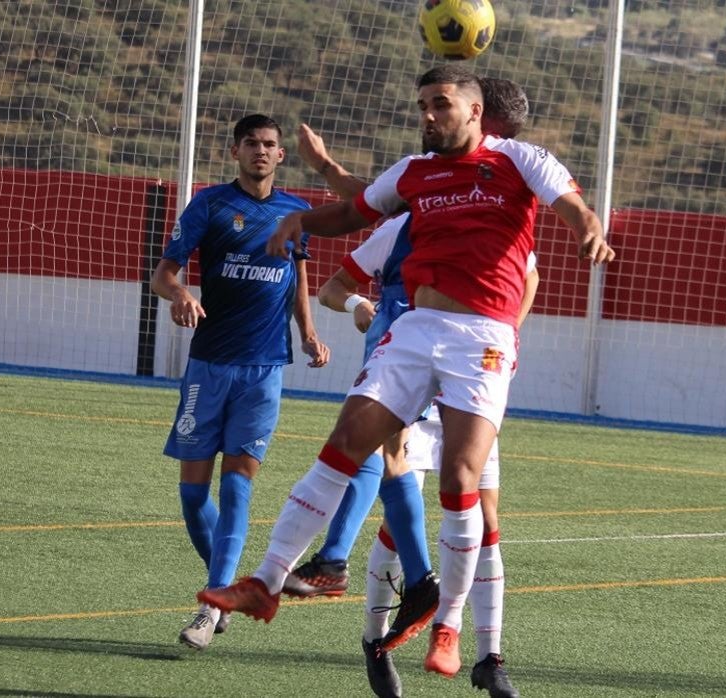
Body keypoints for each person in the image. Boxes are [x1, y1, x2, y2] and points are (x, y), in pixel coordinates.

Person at [199, 65, 614, 681]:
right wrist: (301, 221)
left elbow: (571, 205)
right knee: (344, 446)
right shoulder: (414, 173)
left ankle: (448, 625)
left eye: (440, 104)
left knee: (459, 477)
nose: (428, 114)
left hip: (484, 337)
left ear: (474, 111)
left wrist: (587, 228)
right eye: (422, 104)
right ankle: (266, 581)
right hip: (417, 329)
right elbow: (354, 212)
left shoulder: (521, 159)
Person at [289, 77, 535, 698]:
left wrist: (500, 346)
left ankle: (487, 652)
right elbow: (356, 223)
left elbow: (526, 283)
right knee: (398, 512)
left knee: (484, 511)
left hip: (473, 370)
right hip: (405, 369)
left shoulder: (504, 209)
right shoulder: (409, 212)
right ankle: (377, 638)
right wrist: (362, 307)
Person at [153, 113, 330, 650]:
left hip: (264, 369)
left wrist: (308, 332)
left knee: (236, 487)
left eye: (270, 145)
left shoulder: (296, 213)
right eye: (251, 143)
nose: (261, 151)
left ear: (281, 155)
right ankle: (232, 586)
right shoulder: (209, 204)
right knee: (190, 495)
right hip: (207, 365)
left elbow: (297, 276)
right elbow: (163, 273)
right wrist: (181, 294)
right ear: (235, 151)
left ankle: (209, 609)